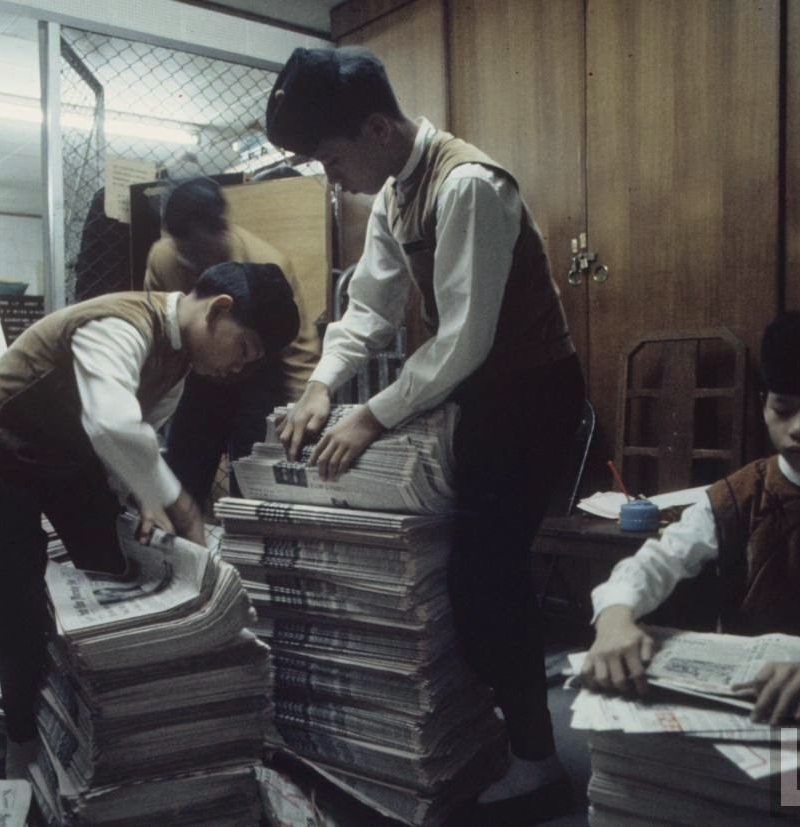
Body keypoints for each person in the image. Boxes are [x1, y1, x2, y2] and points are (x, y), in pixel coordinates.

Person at [265, 47, 585, 821]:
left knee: (486, 572)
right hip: (480, 394)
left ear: (378, 127)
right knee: (464, 571)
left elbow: (463, 340)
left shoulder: (469, 185)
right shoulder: (392, 193)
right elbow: (370, 307)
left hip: (531, 396)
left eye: (333, 158)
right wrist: (319, 386)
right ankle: (495, 731)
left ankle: (539, 763)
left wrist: (370, 415)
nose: (332, 178)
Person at [0, 261, 298, 778]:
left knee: (111, 562)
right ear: (219, 309)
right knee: (19, 588)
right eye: (244, 349)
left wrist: (142, 494)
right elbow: (113, 420)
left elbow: (140, 429)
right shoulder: (119, 324)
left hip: (68, 450)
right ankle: (21, 739)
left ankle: (100, 710)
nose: (238, 369)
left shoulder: (181, 357)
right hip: (4, 441)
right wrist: (178, 502)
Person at [581, 303, 800, 724]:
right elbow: (657, 561)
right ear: (762, 404)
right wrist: (615, 617)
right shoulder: (733, 496)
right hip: (747, 699)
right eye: (783, 409)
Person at [144, 177, 319, 506]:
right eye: (186, 253)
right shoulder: (163, 257)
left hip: (257, 376)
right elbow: (160, 328)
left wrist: (297, 412)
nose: (195, 261)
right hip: (196, 374)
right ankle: (179, 553)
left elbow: (300, 349)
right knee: (181, 478)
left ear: (222, 228)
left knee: (251, 483)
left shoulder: (268, 264)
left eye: (201, 249)